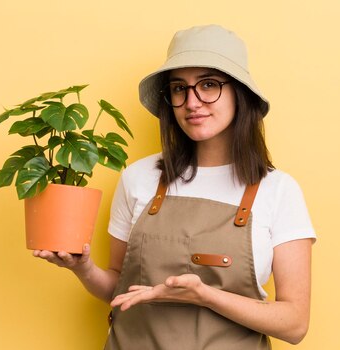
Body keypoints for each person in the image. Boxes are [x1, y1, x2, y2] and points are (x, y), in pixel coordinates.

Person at [34, 24, 316, 349]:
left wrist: (204, 296)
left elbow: (294, 324)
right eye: (180, 88)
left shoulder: (278, 190)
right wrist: (83, 269)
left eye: (208, 85)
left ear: (240, 93)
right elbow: (121, 290)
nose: (191, 102)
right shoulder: (138, 179)